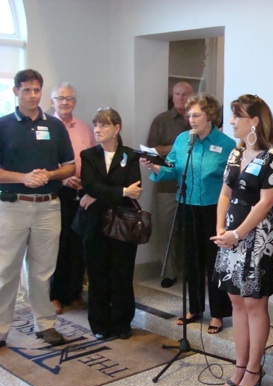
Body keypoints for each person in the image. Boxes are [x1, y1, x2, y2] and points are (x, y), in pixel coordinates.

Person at [211, 94, 273, 386]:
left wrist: (238, 233)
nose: (231, 121)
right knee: (236, 302)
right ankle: (240, 364)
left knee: (255, 303)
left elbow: (266, 203)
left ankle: (255, 368)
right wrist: (221, 228)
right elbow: (225, 193)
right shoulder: (236, 152)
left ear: (254, 120)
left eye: (237, 115)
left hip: (258, 239)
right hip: (230, 236)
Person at [142, 93, 234, 333]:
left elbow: (232, 180)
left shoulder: (226, 144)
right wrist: (156, 167)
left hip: (214, 209)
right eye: (189, 115)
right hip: (186, 204)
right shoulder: (183, 140)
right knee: (191, 259)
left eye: (196, 115)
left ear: (209, 116)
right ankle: (194, 307)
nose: (191, 120)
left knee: (215, 261)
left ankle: (218, 313)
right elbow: (172, 169)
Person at [0, 69, 75, 348]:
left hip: (48, 207)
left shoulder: (55, 126)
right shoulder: (3, 124)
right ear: (15, 91)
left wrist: (49, 175)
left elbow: (70, 166)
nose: (33, 95)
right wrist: (24, 177)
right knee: (5, 271)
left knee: (43, 271)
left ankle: (45, 324)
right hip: (12, 207)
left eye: (37, 90)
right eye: (27, 90)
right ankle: (1, 329)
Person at [77, 107, 142, 340]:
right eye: (96, 124)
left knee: (122, 275)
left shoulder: (130, 156)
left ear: (116, 128)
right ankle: (100, 325)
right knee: (98, 276)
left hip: (122, 223)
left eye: (103, 125)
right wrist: (120, 191)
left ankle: (122, 323)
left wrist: (99, 194)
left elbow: (135, 188)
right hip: (94, 223)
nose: (97, 129)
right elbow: (90, 185)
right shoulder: (88, 155)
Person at [49, 82, 95, 314]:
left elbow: (93, 157)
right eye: (60, 98)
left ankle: (74, 293)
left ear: (75, 102)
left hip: (82, 191)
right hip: (58, 190)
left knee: (78, 243)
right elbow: (43, 162)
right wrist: (63, 178)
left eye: (69, 98)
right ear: (52, 102)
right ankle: (54, 295)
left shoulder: (85, 128)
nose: (65, 102)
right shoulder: (47, 127)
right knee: (58, 243)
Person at [147, 81, 193, 289]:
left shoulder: (199, 120)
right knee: (168, 230)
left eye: (185, 94)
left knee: (190, 231)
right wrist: (177, 146)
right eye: (177, 94)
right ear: (172, 96)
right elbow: (151, 150)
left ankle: (191, 271)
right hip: (167, 184)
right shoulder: (162, 120)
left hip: (193, 186)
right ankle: (170, 272)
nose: (181, 98)